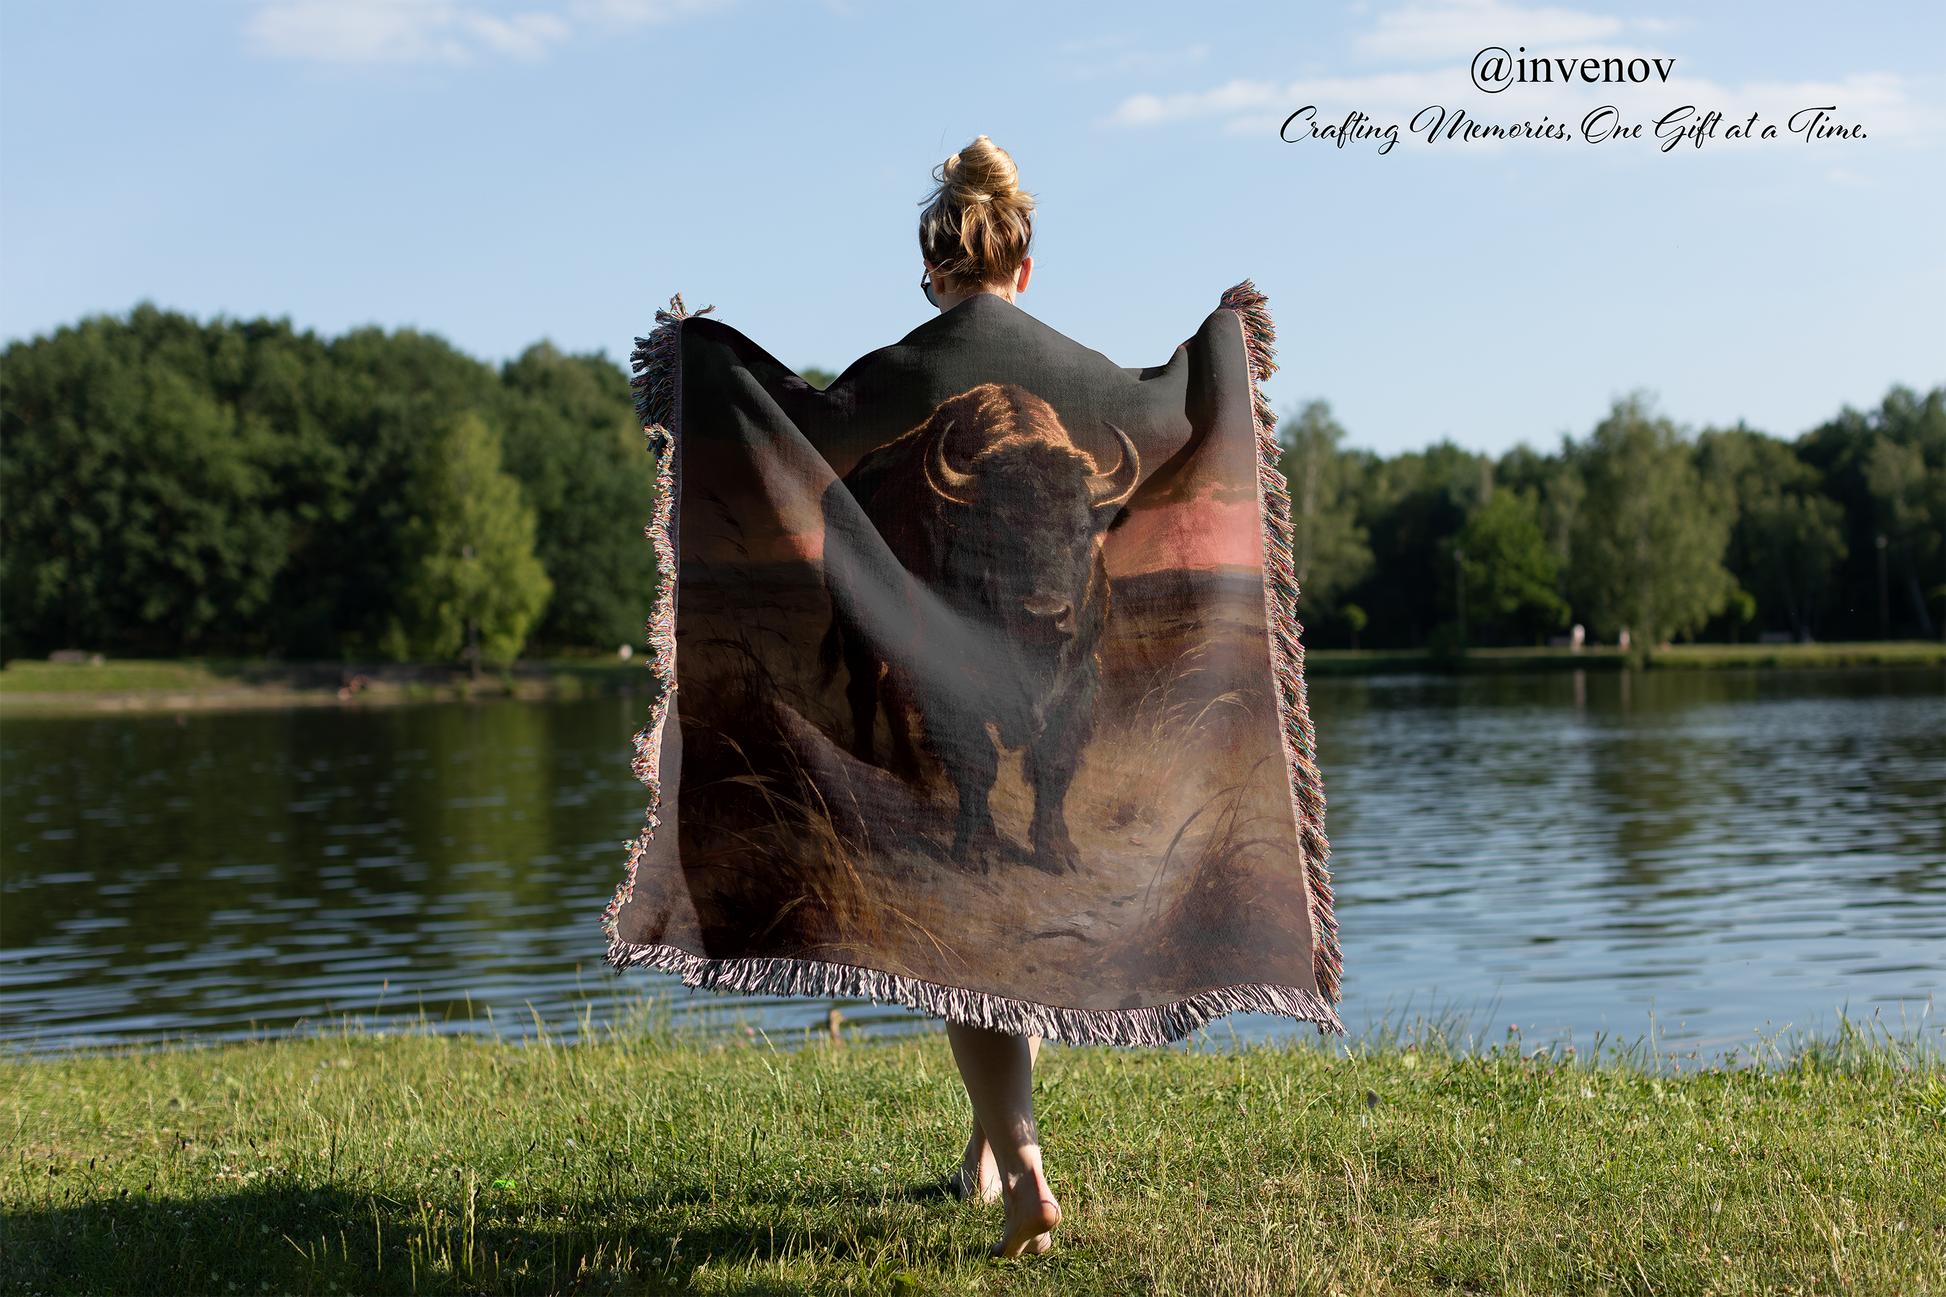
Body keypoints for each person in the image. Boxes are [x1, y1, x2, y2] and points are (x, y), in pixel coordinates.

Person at [917, 135, 1060, 1260]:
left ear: (934, 273)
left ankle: (1024, 1170)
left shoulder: (905, 368)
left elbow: (800, 439)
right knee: (1002, 928)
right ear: (1023, 266)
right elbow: (1168, 412)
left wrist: (697, 369)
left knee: (962, 939)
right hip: (1058, 670)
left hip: (951, 676)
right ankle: (980, 1150)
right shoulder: (1078, 371)